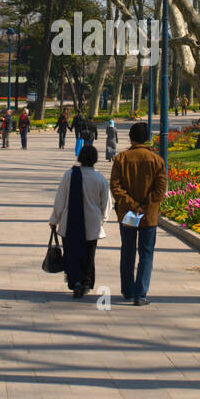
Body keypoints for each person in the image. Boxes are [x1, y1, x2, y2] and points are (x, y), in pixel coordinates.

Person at [109, 122, 166, 306]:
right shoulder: (156, 160)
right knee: (146, 253)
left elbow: (115, 187)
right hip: (148, 215)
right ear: (147, 138)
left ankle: (127, 289)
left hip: (128, 215)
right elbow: (160, 189)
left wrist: (132, 205)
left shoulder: (121, 159)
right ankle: (140, 294)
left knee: (127, 251)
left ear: (131, 138)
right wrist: (145, 205)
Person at [49, 144, 112, 298]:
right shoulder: (100, 178)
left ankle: (74, 281)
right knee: (89, 255)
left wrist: (54, 219)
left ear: (80, 158)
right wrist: (102, 220)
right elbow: (107, 203)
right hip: (91, 225)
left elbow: (60, 200)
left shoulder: (69, 175)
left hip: (69, 223)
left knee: (71, 253)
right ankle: (86, 280)